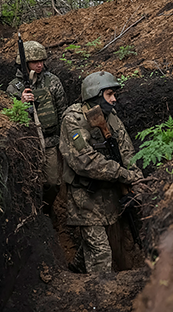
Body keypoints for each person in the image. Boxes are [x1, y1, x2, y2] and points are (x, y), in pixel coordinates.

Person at [59, 71, 143, 274]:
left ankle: (76, 270)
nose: (114, 99)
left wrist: (136, 175)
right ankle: (99, 297)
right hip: (85, 197)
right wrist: (124, 175)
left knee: (96, 244)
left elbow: (126, 150)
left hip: (110, 193)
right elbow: (85, 161)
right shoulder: (73, 120)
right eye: (110, 94)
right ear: (95, 95)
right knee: (101, 254)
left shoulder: (110, 117)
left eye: (114, 94)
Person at [7, 41, 67, 215]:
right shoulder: (14, 88)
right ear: (24, 64)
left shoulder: (52, 81)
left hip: (50, 141)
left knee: (52, 182)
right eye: (34, 62)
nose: (39, 65)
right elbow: (8, 119)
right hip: (27, 145)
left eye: (41, 61)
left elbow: (62, 109)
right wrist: (20, 103)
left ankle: (46, 211)